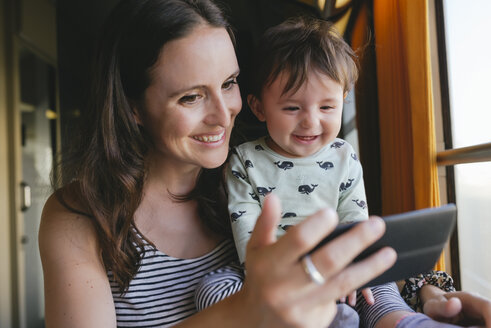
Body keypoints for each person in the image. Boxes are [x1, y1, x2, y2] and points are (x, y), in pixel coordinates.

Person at [38, 0, 491, 327]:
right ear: (132, 107)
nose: (223, 115)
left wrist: (426, 296)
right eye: (191, 96)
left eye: (230, 83)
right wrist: (248, 310)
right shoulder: (81, 216)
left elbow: (351, 243)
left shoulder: (259, 170)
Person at [192, 16, 491, 328]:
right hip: (271, 274)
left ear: (343, 100)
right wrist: (263, 277)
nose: (310, 122)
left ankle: (406, 323)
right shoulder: (245, 159)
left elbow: (354, 214)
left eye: (326, 108)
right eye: (292, 108)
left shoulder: (342, 155)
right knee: (212, 288)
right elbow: (245, 223)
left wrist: (356, 265)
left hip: (339, 264)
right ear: (259, 107)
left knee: (377, 284)